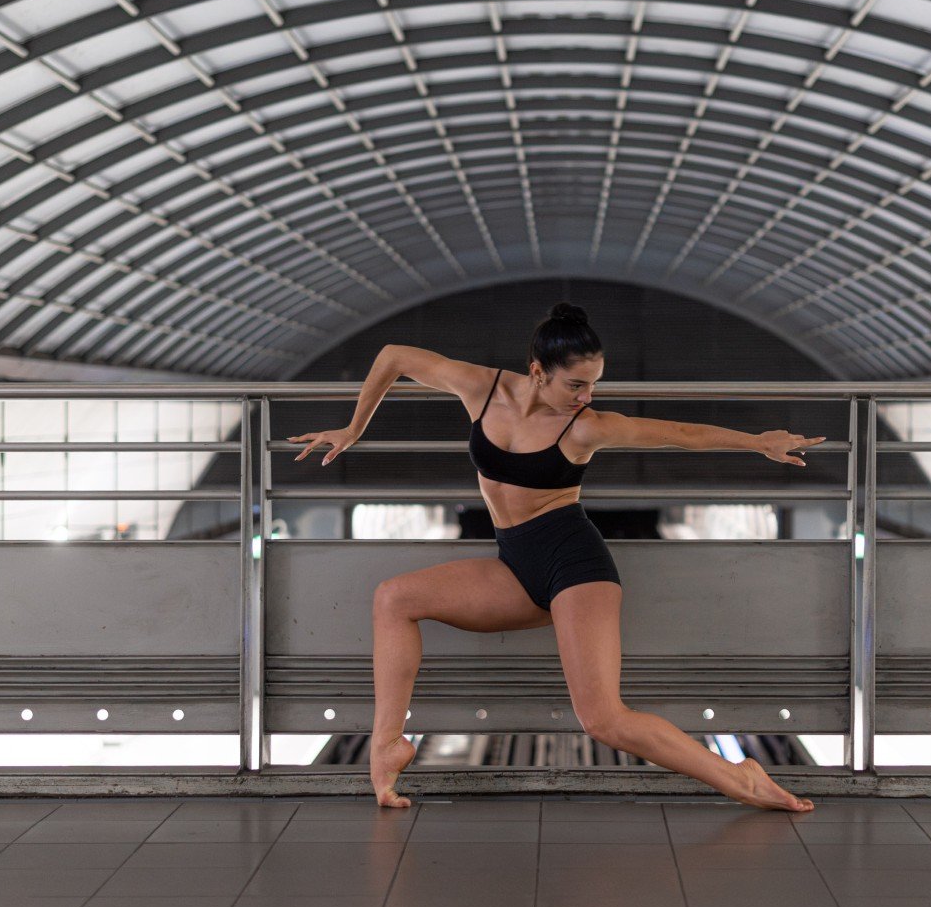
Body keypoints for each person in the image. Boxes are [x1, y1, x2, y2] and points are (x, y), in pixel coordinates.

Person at [289, 302, 824, 811]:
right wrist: (354, 428)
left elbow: (680, 435)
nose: (586, 396)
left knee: (604, 721)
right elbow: (394, 357)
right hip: (514, 565)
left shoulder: (586, 426)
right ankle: (386, 746)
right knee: (393, 599)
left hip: (576, 567)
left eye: (593, 384)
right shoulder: (481, 387)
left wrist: (757, 443)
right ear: (537, 371)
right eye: (575, 384)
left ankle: (743, 779)